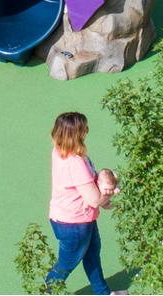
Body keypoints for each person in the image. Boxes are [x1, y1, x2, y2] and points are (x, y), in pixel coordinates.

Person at [45, 112, 113, 296]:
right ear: (75, 134)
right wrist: (110, 192)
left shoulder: (60, 151)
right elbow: (94, 199)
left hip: (75, 218)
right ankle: (46, 292)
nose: (87, 131)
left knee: (92, 255)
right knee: (65, 266)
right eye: (84, 129)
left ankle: (103, 292)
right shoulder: (74, 163)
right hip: (74, 224)